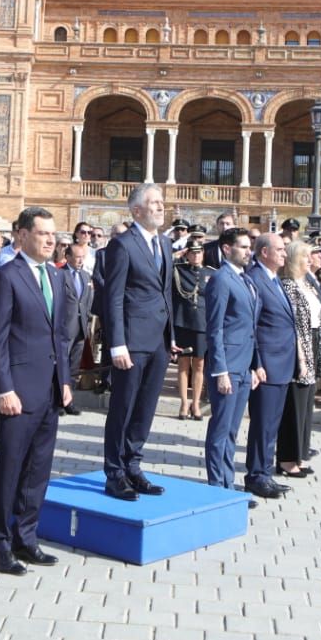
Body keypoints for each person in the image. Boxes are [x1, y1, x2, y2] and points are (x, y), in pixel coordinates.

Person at [0, 206, 72, 576]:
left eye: (53, 234)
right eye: (43, 234)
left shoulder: (55, 276)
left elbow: (61, 336)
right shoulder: (6, 277)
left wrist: (64, 379)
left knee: (38, 470)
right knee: (11, 468)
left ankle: (27, 536)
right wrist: (4, 388)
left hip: (50, 391)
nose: (51, 240)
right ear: (21, 235)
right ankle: (0, 543)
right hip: (18, 393)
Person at [96, 183, 177, 502]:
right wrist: (117, 344)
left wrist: (171, 337)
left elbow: (166, 293)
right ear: (136, 210)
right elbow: (113, 298)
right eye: (153, 203)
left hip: (158, 341)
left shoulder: (165, 244)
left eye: (161, 202)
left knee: (145, 408)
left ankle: (133, 465)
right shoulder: (123, 245)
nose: (160, 207)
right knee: (123, 407)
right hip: (131, 340)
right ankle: (114, 472)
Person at [203, 227, 257, 497]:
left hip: (244, 366)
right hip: (227, 366)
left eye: (250, 247)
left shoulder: (245, 279)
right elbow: (215, 329)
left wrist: (254, 366)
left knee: (233, 430)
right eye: (244, 247)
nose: (249, 251)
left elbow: (250, 327)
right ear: (227, 249)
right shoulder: (221, 280)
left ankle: (228, 484)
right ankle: (217, 487)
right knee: (221, 428)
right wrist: (220, 370)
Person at [244, 233, 294, 501]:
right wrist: (257, 363)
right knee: (262, 424)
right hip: (267, 364)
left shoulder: (274, 279)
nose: (284, 254)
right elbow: (252, 327)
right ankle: (255, 476)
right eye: (280, 249)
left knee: (271, 424)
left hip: (282, 363)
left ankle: (265, 472)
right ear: (264, 252)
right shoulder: (255, 279)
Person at [276, 241, 321, 479]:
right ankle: (286, 459)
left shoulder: (308, 283)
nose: (310, 260)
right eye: (306, 257)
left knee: (306, 405)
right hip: (298, 348)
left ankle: (300, 454)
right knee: (293, 405)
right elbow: (292, 324)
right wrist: (301, 355)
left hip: (311, 343)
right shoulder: (288, 285)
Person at [172, 240, 209, 421]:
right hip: (183, 322)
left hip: (202, 324)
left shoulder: (210, 273)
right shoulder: (178, 271)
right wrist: (176, 255)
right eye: (192, 253)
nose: (195, 256)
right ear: (187, 254)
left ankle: (195, 402)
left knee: (200, 365)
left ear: (203, 253)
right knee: (183, 364)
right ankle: (184, 402)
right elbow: (161, 268)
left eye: (198, 252)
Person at [58, 238, 94, 415]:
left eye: (83, 257)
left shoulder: (86, 276)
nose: (81, 260)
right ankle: (57, 401)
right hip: (65, 328)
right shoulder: (59, 274)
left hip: (81, 328)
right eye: (77, 257)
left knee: (73, 367)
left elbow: (86, 301)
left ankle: (68, 401)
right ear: (68, 257)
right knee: (61, 365)